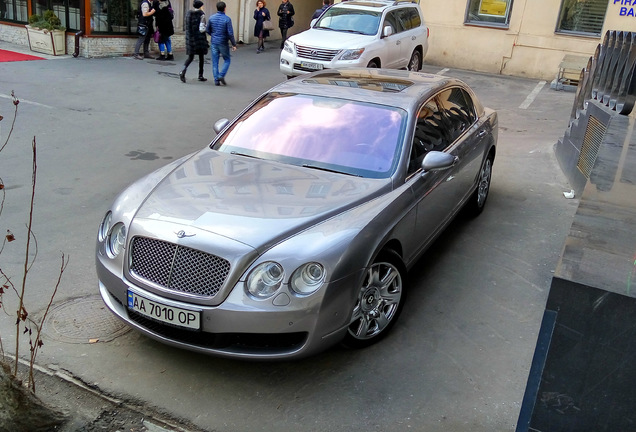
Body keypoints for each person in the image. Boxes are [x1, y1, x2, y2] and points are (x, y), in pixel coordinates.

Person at [206, 1, 237, 86]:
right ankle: (221, 75)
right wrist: (234, 44)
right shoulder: (227, 19)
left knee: (215, 61)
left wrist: (213, 35)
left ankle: (216, 80)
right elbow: (230, 33)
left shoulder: (211, 18)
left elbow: (208, 29)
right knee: (227, 59)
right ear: (224, 8)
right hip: (223, 42)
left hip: (214, 41)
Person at [179, 0, 209, 82]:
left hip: (190, 38)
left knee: (190, 57)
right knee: (201, 57)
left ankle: (183, 71)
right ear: (200, 6)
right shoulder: (201, 14)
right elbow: (202, 29)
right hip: (199, 39)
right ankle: (200, 75)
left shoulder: (188, 14)